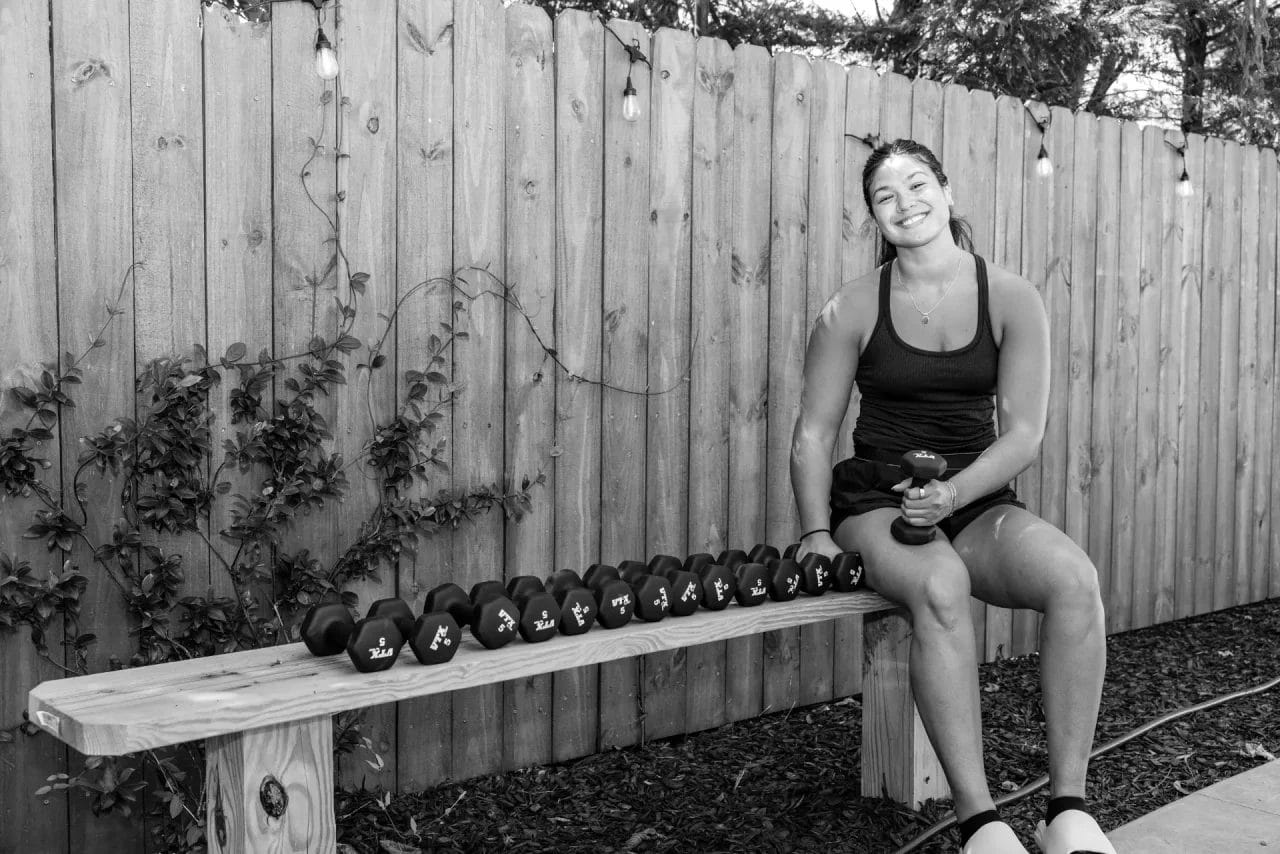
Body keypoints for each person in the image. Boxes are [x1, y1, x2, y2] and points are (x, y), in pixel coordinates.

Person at [790, 139, 1115, 854]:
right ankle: (981, 825)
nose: (905, 203)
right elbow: (814, 434)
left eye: (916, 184)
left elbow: (1024, 432)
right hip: (878, 498)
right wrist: (816, 533)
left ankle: (1067, 811)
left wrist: (955, 492)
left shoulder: (1012, 296)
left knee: (1074, 581)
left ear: (947, 189)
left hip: (976, 494)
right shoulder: (850, 307)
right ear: (875, 216)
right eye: (885, 195)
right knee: (940, 585)